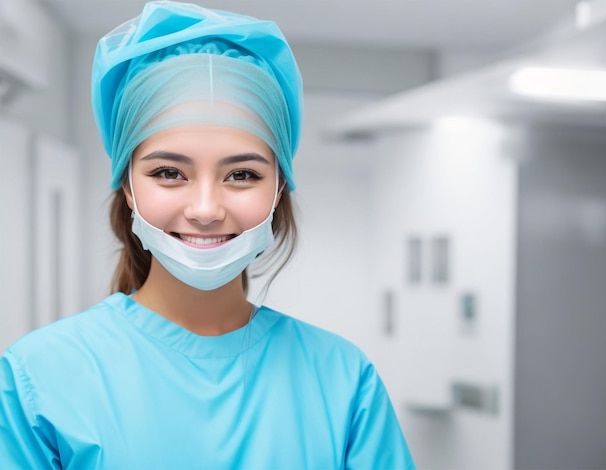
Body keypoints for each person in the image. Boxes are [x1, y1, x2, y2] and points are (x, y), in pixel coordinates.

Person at [0, 2, 415, 468]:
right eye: (169, 172)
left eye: (240, 175)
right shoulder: (41, 376)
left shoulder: (342, 379)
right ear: (128, 187)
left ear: (279, 188)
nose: (204, 210)